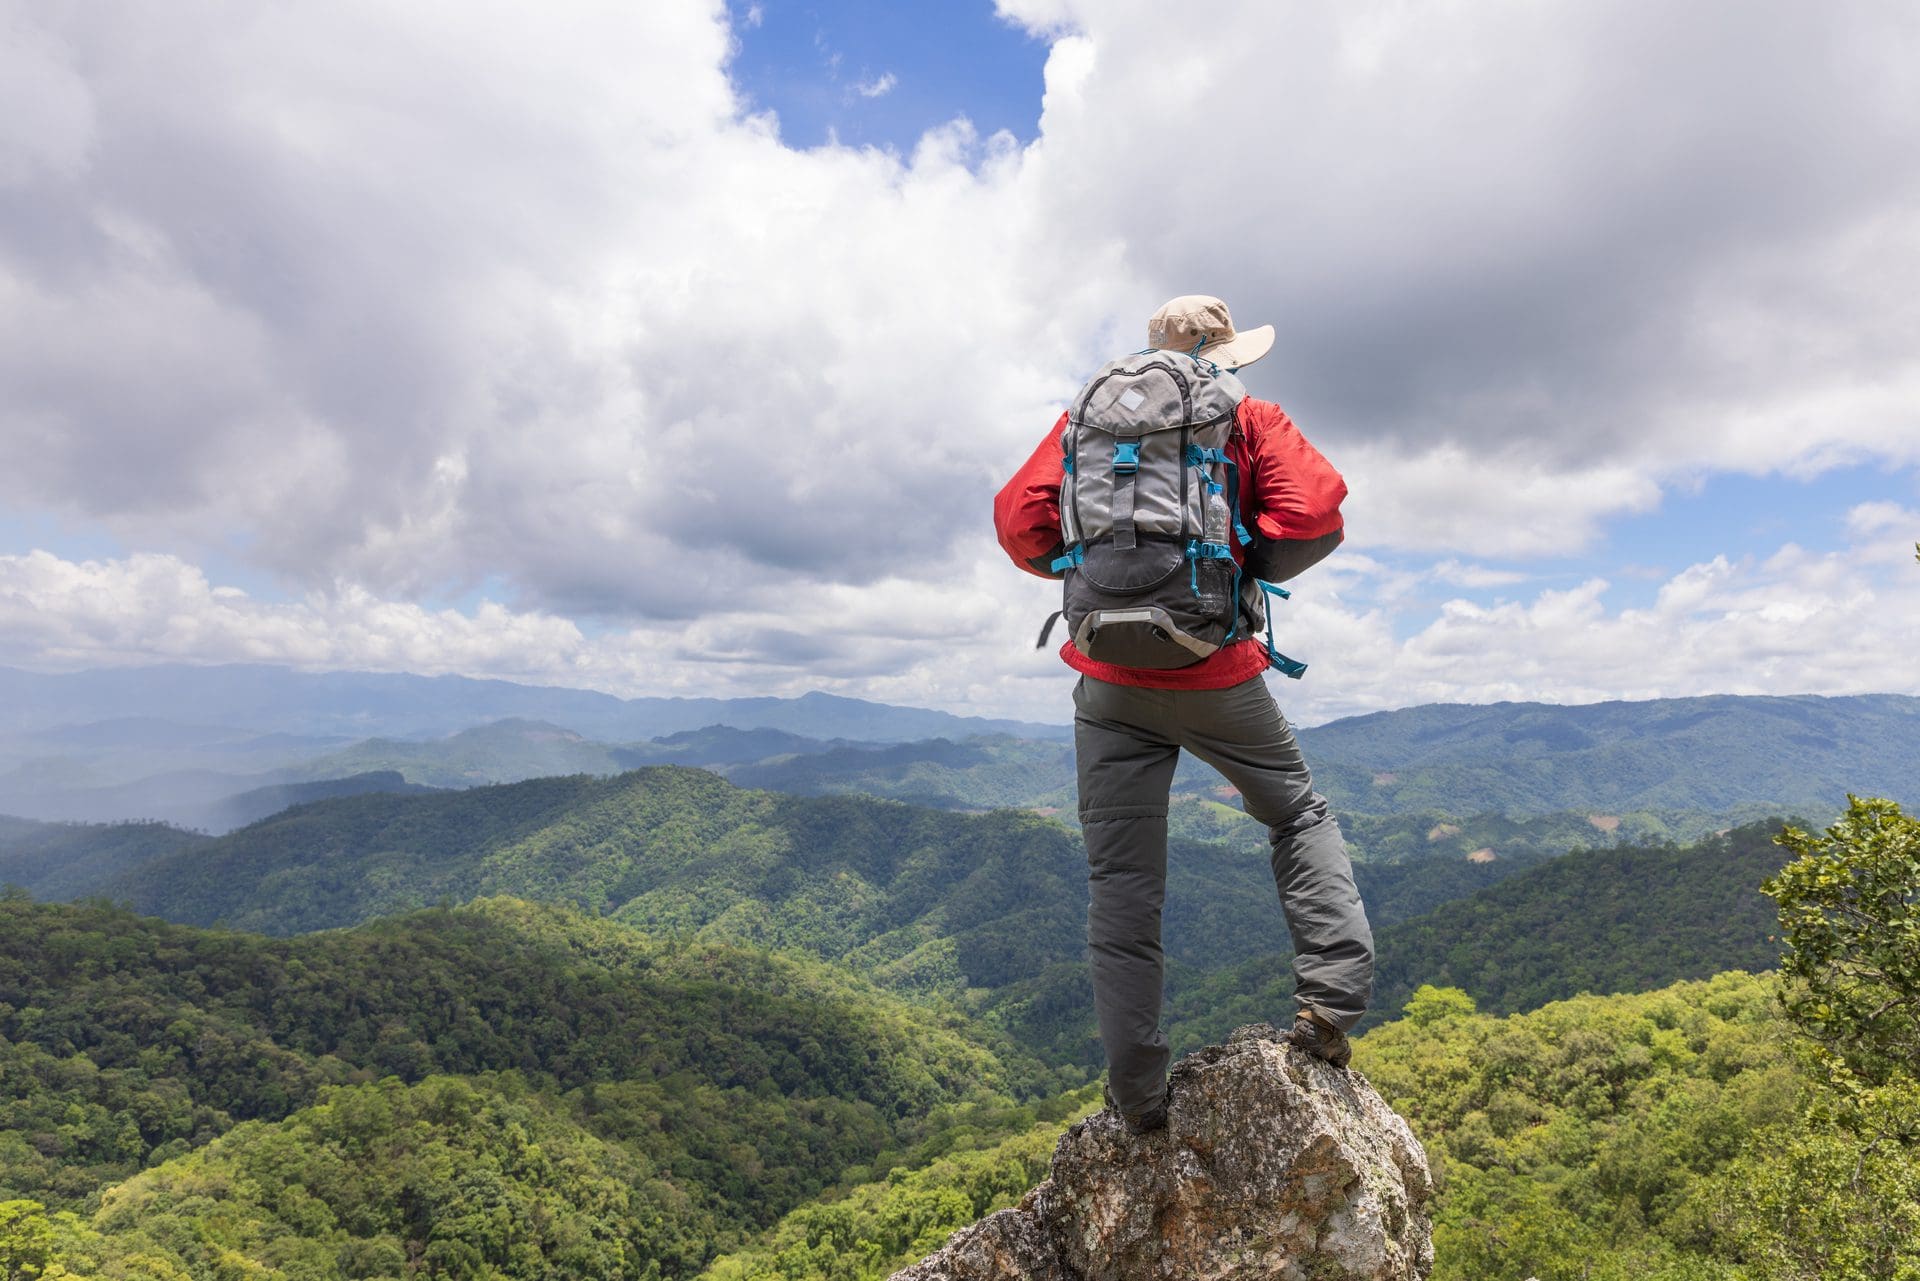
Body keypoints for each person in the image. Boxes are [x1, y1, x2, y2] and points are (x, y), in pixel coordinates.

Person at [992, 295, 1373, 1135]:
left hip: (1106, 678)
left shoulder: (1083, 417)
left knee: (1122, 884)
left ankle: (1137, 1097)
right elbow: (1316, 510)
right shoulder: (1246, 412)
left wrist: (1099, 574)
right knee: (1297, 813)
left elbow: (1020, 524)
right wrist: (1239, 571)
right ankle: (1329, 1008)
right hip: (1214, 667)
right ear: (1221, 352)